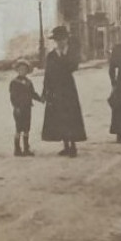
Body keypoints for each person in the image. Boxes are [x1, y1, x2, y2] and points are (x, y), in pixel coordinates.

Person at [40, 24, 85, 157]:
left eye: (62, 39)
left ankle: (73, 146)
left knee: (71, 117)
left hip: (68, 89)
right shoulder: (51, 56)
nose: (60, 42)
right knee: (59, 118)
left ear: (66, 39)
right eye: (58, 40)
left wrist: (65, 54)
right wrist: (45, 92)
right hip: (55, 90)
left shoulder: (71, 53)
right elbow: (47, 75)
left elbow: (73, 67)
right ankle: (66, 145)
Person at [8, 60, 42, 157]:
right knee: (19, 128)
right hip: (19, 109)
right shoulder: (14, 82)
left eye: (25, 69)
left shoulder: (28, 82)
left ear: (27, 71)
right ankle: (17, 149)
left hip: (27, 108)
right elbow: (13, 97)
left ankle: (26, 148)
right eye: (20, 69)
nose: (22, 71)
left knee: (27, 128)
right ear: (17, 70)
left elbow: (32, 94)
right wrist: (16, 107)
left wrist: (41, 99)